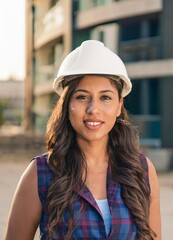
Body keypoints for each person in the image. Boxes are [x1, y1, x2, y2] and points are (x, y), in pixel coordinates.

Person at [4, 40, 161, 240]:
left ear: (119, 105)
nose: (93, 109)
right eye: (82, 97)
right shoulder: (40, 173)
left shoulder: (143, 170)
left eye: (105, 98)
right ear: (67, 103)